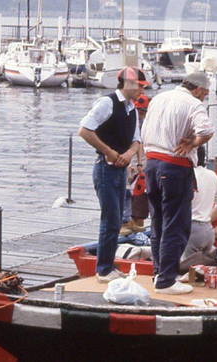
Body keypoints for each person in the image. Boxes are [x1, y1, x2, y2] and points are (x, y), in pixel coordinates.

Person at [141, 71, 215, 294]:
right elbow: (207, 130)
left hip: (151, 163)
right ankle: (166, 280)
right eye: (206, 94)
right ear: (199, 90)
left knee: (158, 223)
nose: (205, 98)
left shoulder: (160, 98)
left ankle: (159, 273)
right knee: (175, 224)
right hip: (174, 166)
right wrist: (193, 143)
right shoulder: (192, 103)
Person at [78, 66, 148, 282]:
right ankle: (104, 269)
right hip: (105, 168)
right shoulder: (107, 103)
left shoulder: (132, 109)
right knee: (110, 219)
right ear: (128, 84)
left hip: (118, 170)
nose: (142, 92)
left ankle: (107, 265)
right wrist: (109, 151)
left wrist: (128, 155)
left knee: (117, 220)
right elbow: (84, 130)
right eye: (140, 86)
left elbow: (136, 140)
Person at [179, 160, 217, 272]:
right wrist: (207, 219)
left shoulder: (186, 174)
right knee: (204, 272)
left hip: (191, 229)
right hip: (208, 230)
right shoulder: (212, 175)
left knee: (186, 271)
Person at [121, 92, 152, 235]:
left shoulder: (146, 125)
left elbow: (139, 144)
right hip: (130, 166)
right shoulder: (128, 122)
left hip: (141, 169)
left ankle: (133, 229)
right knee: (127, 199)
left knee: (139, 207)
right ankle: (125, 225)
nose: (141, 115)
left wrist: (140, 163)